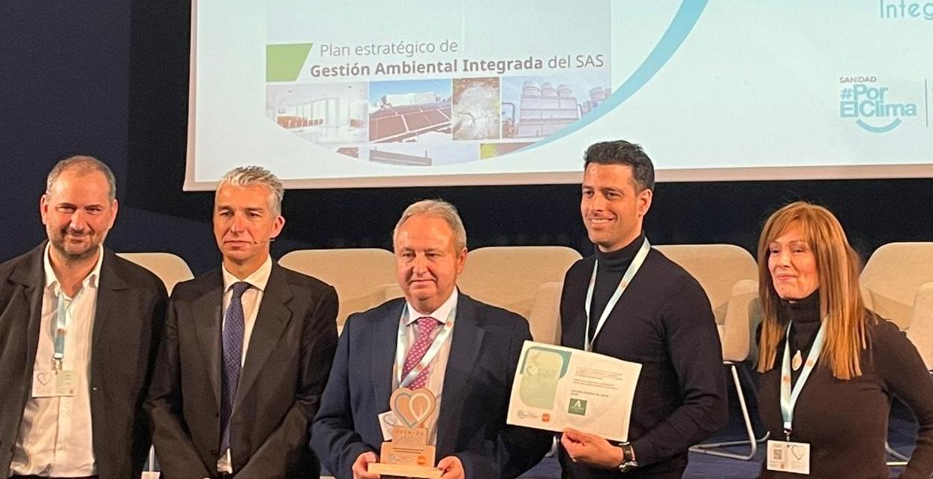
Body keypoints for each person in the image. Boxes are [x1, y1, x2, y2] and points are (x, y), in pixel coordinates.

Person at [311, 199, 550, 479]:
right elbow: (327, 423)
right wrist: (352, 458)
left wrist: (471, 467)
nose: (419, 267)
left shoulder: (506, 333)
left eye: (432, 254)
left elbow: (531, 433)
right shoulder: (361, 330)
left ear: (460, 260)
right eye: (408, 254)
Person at [147, 165, 338, 479]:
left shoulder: (313, 301)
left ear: (276, 225)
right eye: (226, 213)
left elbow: (311, 401)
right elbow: (160, 399)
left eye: (252, 214)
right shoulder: (185, 298)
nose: (236, 226)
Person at [558, 140, 726, 478]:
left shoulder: (678, 291)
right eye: (588, 193)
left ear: (643, 201)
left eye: (611, 194)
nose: (596, 206)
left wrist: (626, 455)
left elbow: (709, 405)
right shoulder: (577, 277)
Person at [754, 201, 933, 479]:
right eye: (774, 251)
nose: (781, 261)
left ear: (829, 261)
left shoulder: (875, 337)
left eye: (798, 250)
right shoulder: (771, 336)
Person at [0, 154, 168, 479]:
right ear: (45, 208)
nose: (78, 223)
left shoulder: (144, 294)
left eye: (92, 210)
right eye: (67, 208)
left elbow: (159, 399)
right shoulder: (5, 288)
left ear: (112, 213)